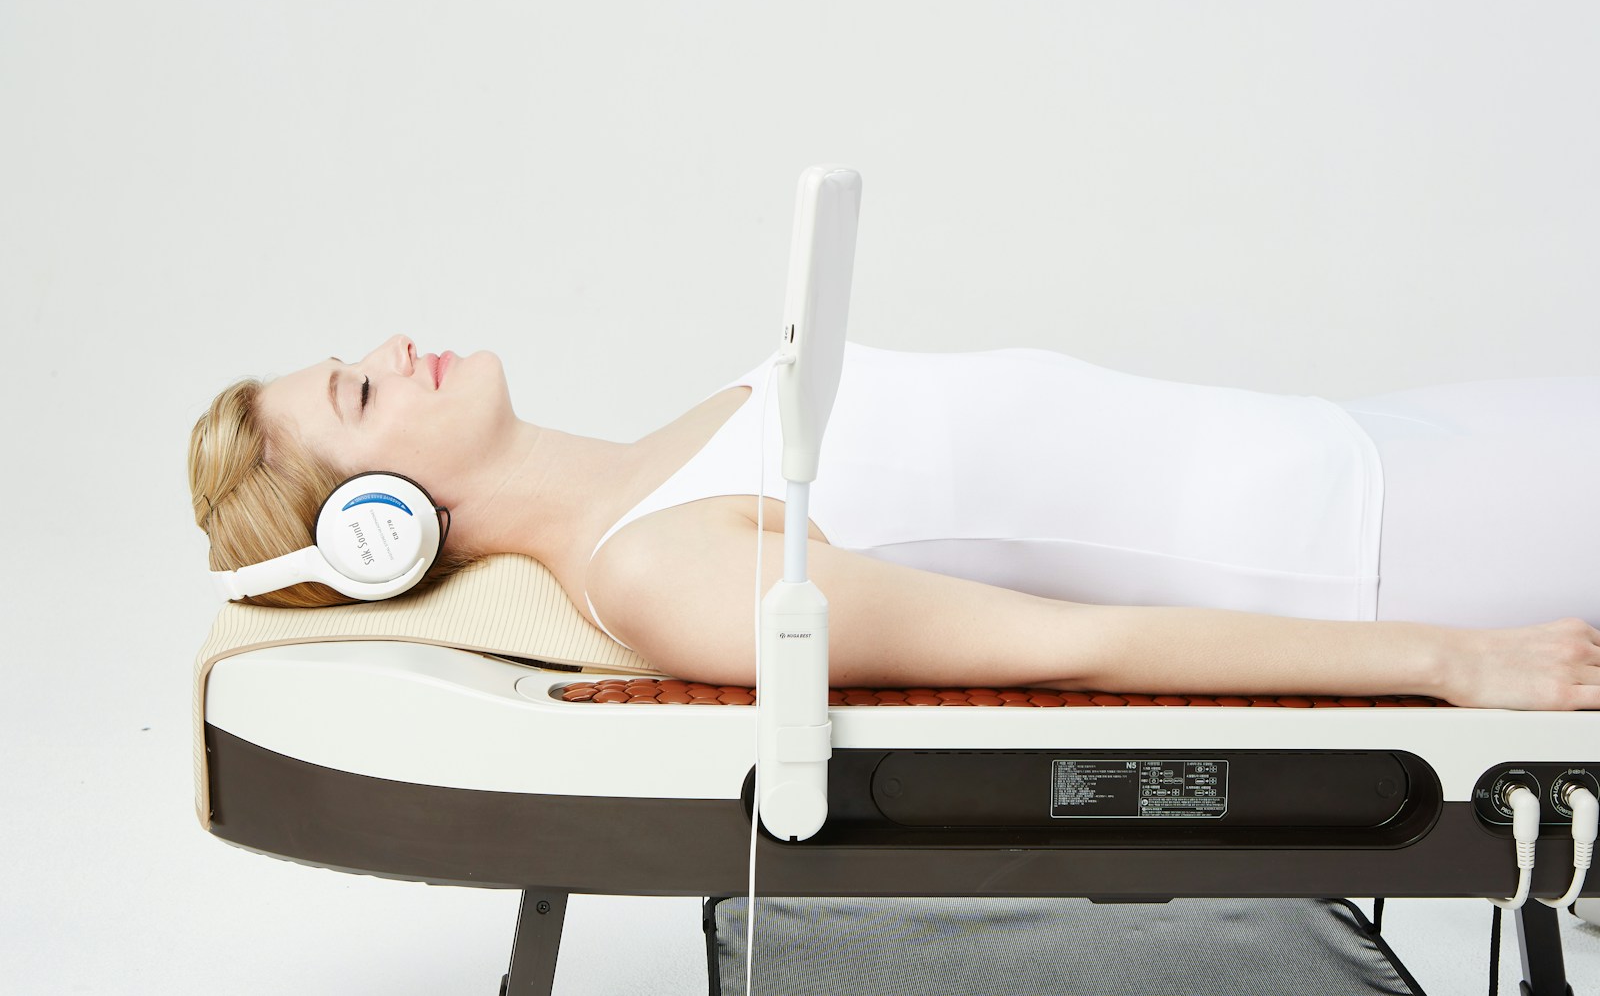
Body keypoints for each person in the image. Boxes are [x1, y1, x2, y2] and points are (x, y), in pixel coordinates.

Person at [189, 334, 1600, 712]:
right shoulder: (668, 576)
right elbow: (1083, 651)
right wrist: (1455, 667)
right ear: (384, 521)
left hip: (1365, 439)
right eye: (361, 391)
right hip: (1382, 540)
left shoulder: (660, 463)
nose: (396, 343)